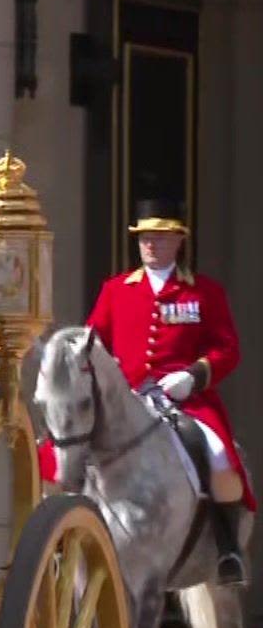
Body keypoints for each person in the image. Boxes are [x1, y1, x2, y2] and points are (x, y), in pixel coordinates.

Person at [74, 200, 251, 583]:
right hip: (127, 399)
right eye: (144, 238)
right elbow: (94, 343)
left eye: (159, 237)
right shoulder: (116, 290)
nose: (150, 244)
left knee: (219, 455)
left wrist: (195, 375)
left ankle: (227, 549)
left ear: (178, 240)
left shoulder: (203, 293)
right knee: (66, 449)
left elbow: (228, 349)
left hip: (186, 401)